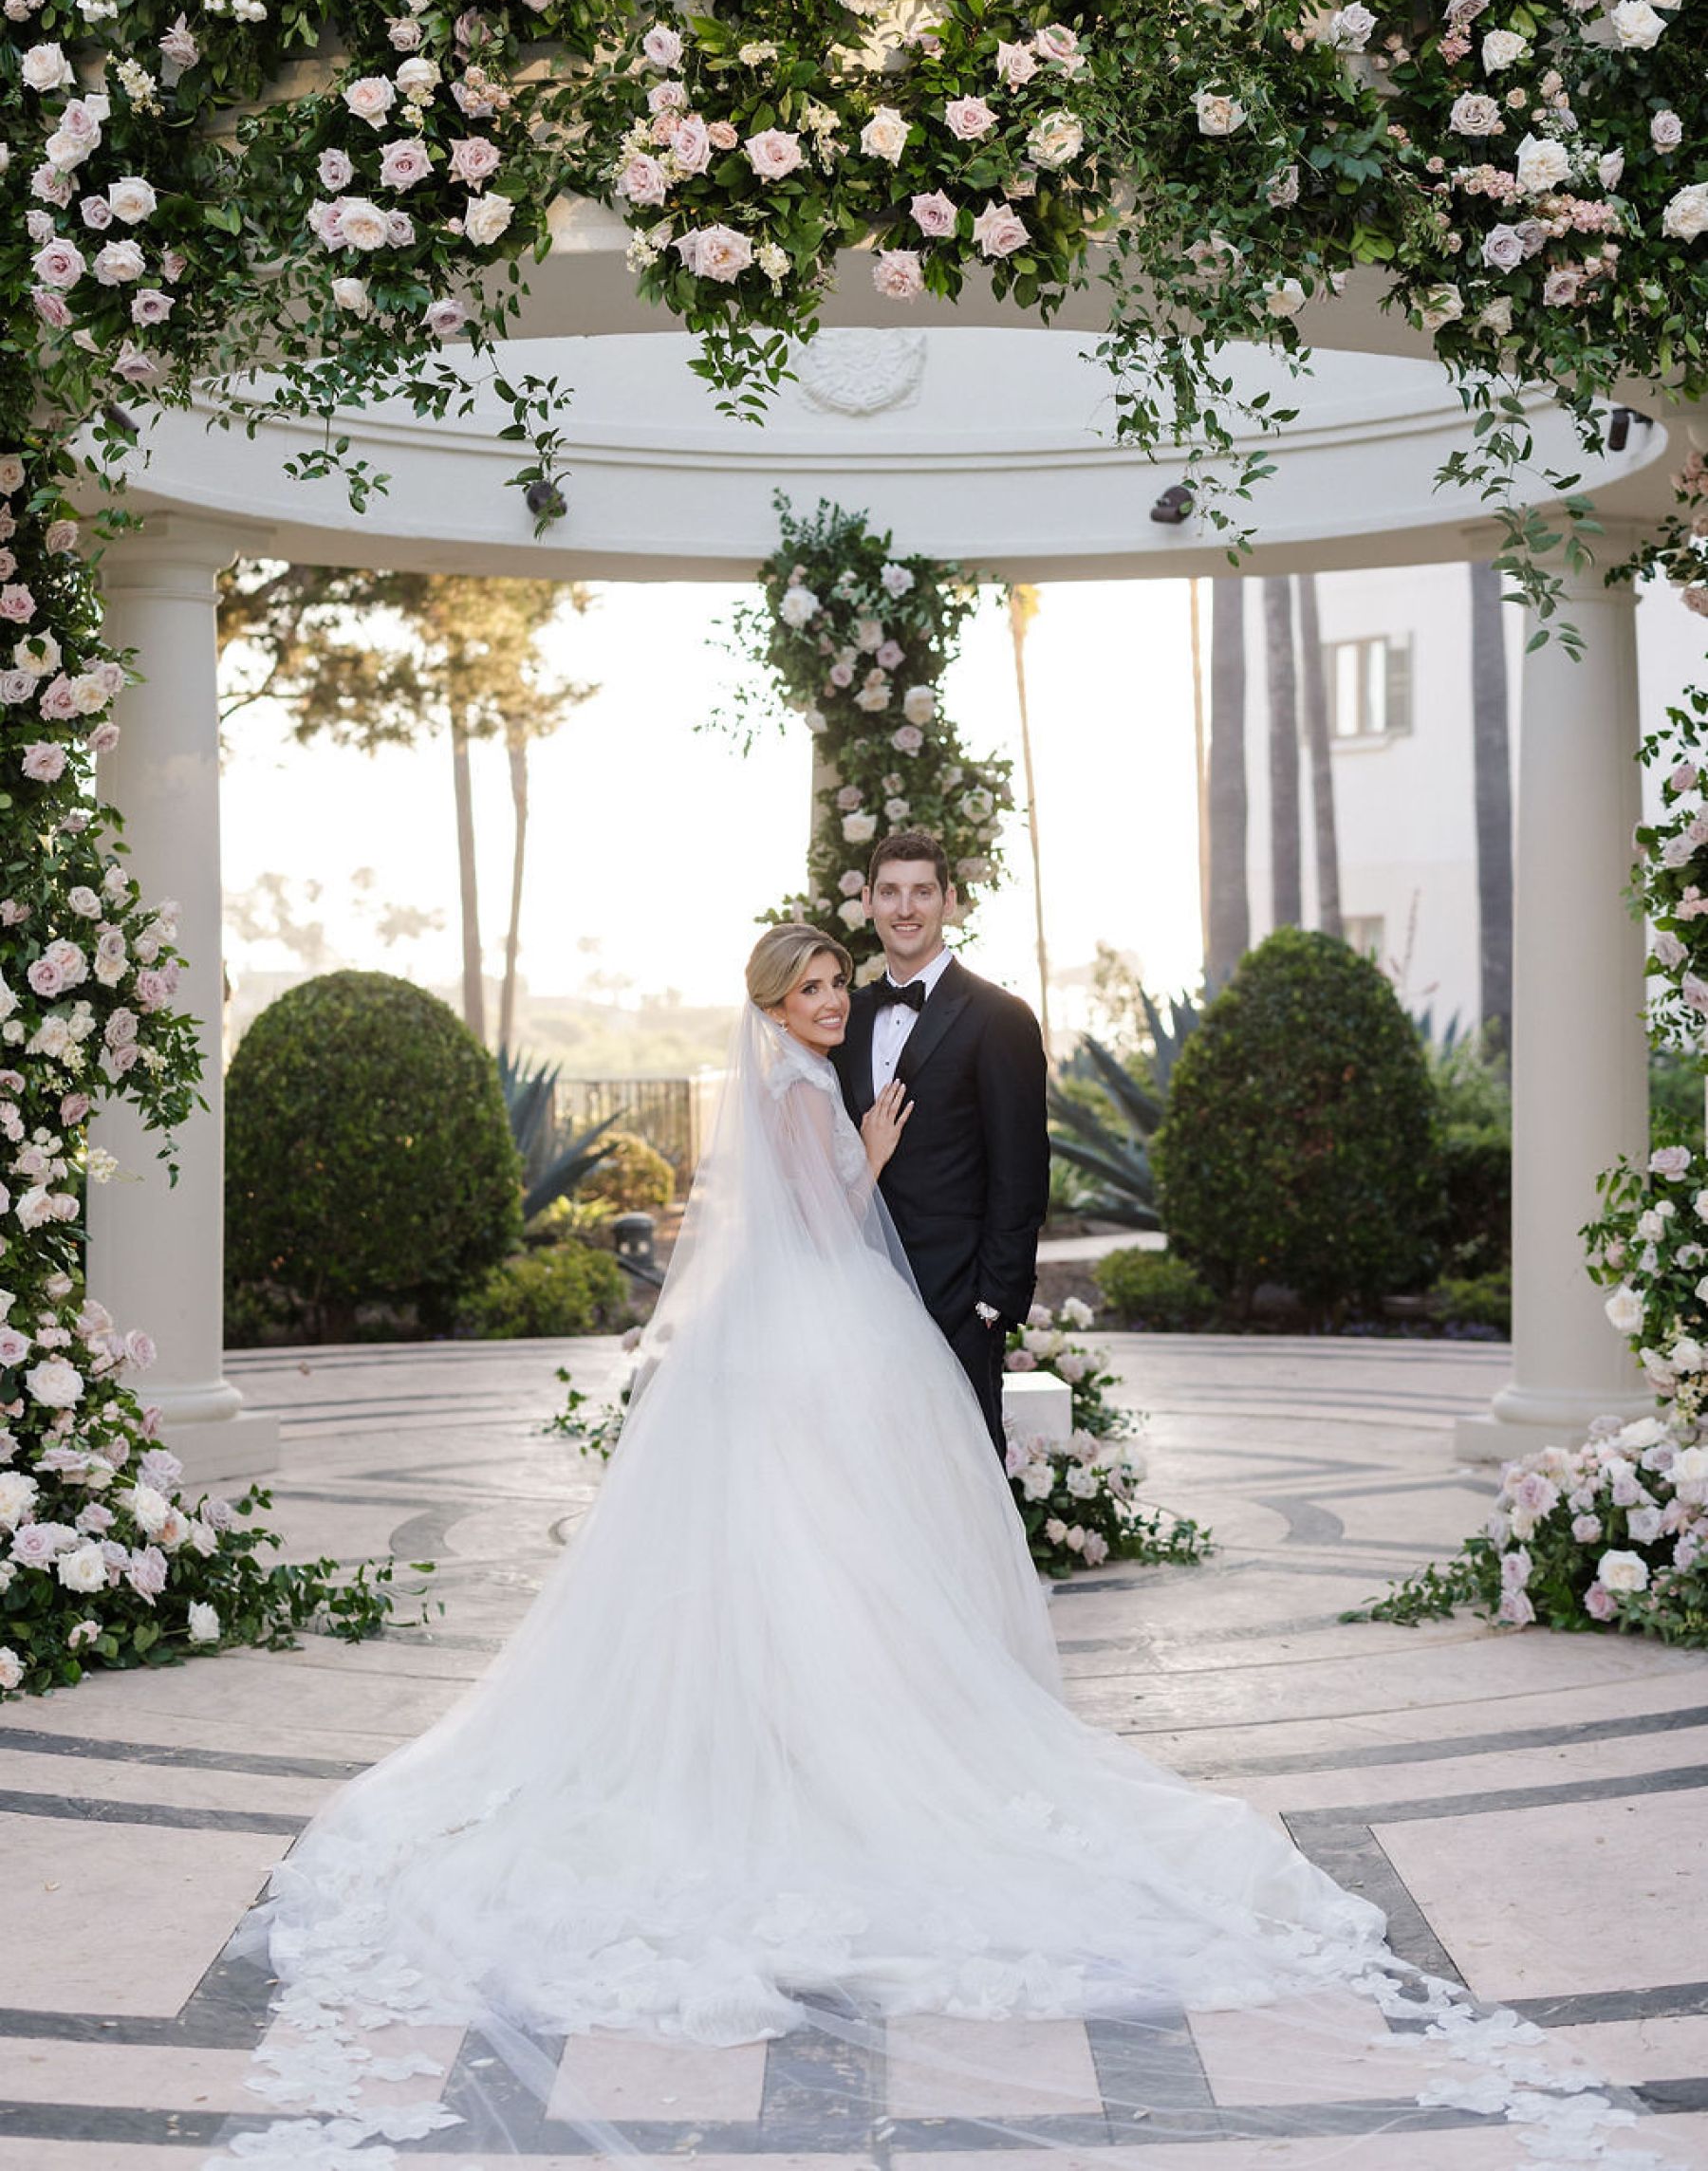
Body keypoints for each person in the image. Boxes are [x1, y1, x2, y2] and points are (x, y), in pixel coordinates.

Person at [228, 926, 1599, 2168]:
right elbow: (822, 1223)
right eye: (814, 987)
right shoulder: (788, 1083)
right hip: (826, 1335)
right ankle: (836, 1747)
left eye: (837, 983)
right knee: (836, 1550)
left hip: (795, 1342)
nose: (834, 1000)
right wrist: (869, 1152)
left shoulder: (778, 1073)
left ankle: (808, 1737)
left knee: (813, 1555)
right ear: (775, 999)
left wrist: (855, 1141)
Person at [833, 829, 1049, 1455]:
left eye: (922, 892)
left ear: (948, 901)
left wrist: (992, 1304)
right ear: (868, 901)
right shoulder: (845, 1018)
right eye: (892, 892)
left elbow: (1023, 1170)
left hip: (958, 1304)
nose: (906, 909)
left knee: (964, 1485)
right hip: (859, 1296)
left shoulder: (999, 1017)